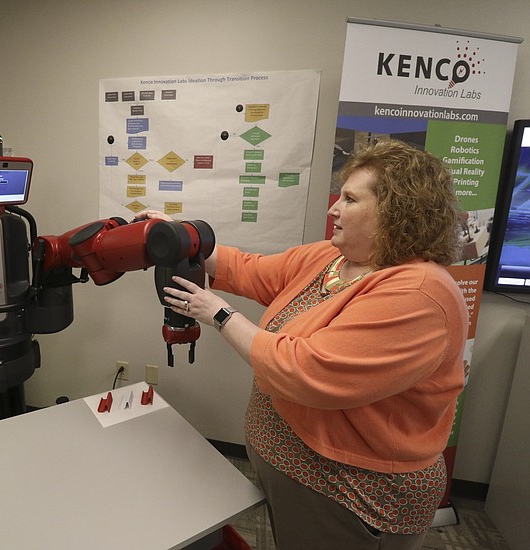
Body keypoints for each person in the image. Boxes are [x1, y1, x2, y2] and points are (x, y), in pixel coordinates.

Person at [138, 139, 467, 550]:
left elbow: (306, 373)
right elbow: (250, 270)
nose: (334, 208)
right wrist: (177, 235)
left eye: (349, 199)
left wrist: (220, 315)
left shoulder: (420, 294)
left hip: (351, 493)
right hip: (294, 469)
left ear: (396, 213)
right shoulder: (333, 259)